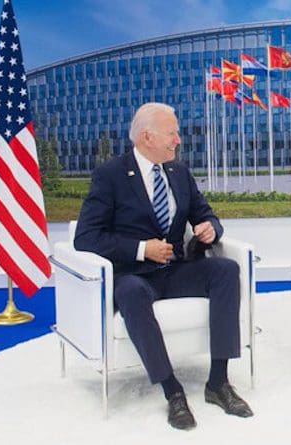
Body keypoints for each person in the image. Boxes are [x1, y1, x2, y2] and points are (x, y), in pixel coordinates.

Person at [74, 102, 253, 430]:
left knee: (226, 269)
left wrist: (211, 227)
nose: (178, 140)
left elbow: (204, 213)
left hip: (177, 270)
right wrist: (142, 249)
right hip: (135, 275)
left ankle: (218, 382)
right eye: (172, 133)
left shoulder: (178, 172)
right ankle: (173, 391)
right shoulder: (110, 175)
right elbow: (86, 238)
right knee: (128, 291)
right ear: (147, 137)